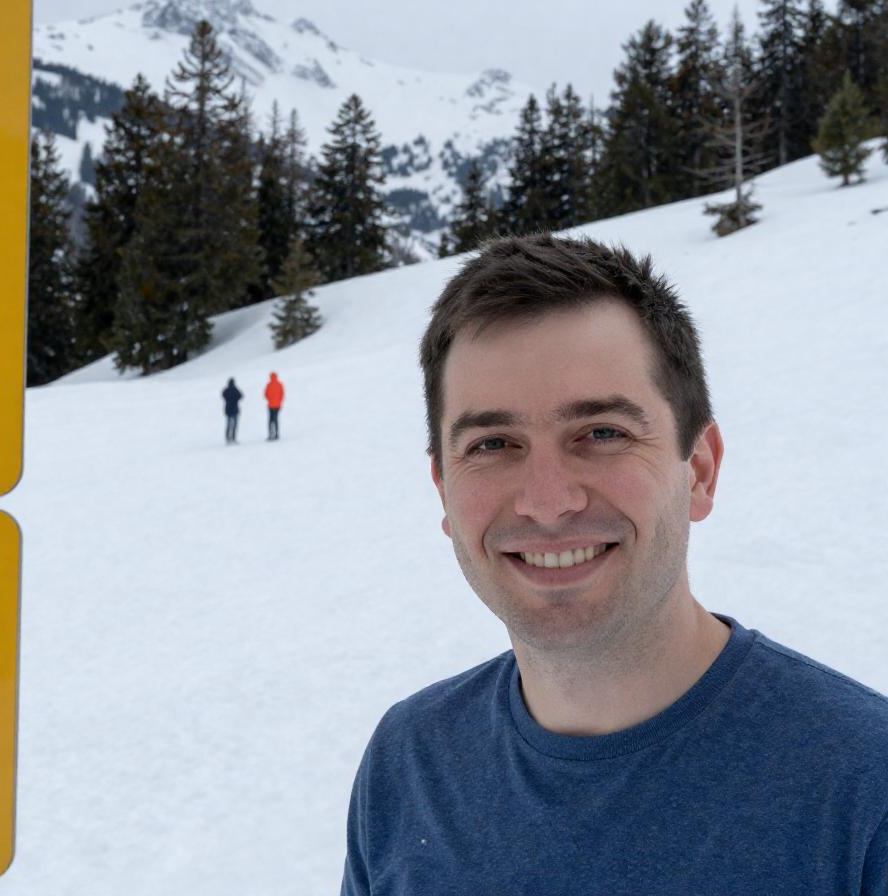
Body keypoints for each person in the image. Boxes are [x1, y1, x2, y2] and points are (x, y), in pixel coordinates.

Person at [340, 233, 888, 894]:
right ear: (444, 493)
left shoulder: (864, 789)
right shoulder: (409, 765)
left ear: (699, 470)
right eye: (492, 444)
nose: (548, 502)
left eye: (602, 433)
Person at [221, 377, 242, 444]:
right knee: (234, 425)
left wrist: (228, 400)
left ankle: (227, 438)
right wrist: (236, 400)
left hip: (228, 409)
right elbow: (241, 396)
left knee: (228, 424)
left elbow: (223, 395)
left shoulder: (226, 390)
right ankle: (233, 437)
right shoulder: (235, 389)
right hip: (235, 409)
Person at [264, 371, 284, 441]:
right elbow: (282, 394)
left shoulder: (269, 385)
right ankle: (276, 434)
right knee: (276, 420)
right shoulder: (279, 384)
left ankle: (270, 434)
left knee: (270, 420)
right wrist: (279, 401)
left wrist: (269, 399)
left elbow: (265, 394)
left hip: (270, 405)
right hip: (277, 405)